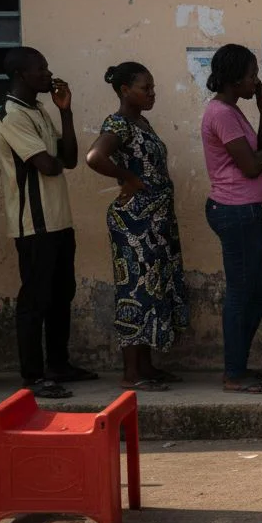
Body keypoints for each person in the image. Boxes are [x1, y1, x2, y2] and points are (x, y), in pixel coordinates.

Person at [0, 47, 94, 399]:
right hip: (33, 224)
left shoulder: (37, 109)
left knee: (60, 294)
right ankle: (32, 375)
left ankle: (59, 364)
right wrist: (54, 153)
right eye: (41, 68)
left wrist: (65, 112)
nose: (48, 73)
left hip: (58, 219)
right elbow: (47, 166)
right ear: (21, 74)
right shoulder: (11, 115)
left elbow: (67, 159)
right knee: (34, 299)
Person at [85, 62, 189, 392]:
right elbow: (94, 157)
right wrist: (129, 179)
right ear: (124, 90)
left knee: (153, 289)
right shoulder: (118, 124)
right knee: (136, 292)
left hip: (155, 222)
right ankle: (132, 373)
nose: (152, 93)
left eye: (153, 87)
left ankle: (147, 366)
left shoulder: (141, 122)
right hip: (135, 223)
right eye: (145, 88)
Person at [201, 44, 262, 394]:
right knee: (241, 291)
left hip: (245, 209)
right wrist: (260, 157)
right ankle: (234, 372)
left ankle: (239, 365)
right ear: (235, 79)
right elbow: (252, 165)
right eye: (251, 75)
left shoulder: (234, 110)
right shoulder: (220, 113)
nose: (256, 81)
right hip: (234, 210)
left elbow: (261, 154)